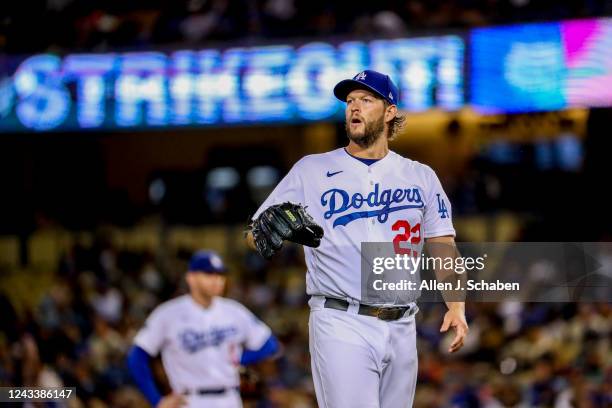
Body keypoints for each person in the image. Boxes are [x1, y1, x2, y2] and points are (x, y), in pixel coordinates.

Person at [245, 70, 469, 407]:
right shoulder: (312, 169)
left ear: (389, 111)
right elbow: (253, 234)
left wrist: (456, 305)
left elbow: (442, 245)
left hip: (403, 324)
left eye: (366, 100)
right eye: (350, 101)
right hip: (341, 321)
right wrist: (265, 232)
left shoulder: (420, 175)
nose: (355, 108)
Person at [127, 249, 279, 408]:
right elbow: (137, 357)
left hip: (230, 398)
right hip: (189, 399)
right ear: (191, 278)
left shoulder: (235, 311)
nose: (216, 280)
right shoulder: (168, 314)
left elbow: (269, 344)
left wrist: (240, 359)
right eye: (208, 274)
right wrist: (156, 400)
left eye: (220, 275)